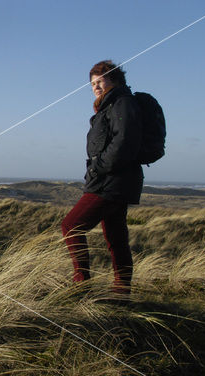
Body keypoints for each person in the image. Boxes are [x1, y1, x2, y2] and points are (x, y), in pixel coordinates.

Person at [61, 60, 143, 295]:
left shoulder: (122, 103)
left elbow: (124, 143)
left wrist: (98, 169)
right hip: (116, 180)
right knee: (115, 236)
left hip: (111, 181)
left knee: (71, 226)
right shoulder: (110, 106)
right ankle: (121, 290)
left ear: (114, 79)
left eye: (100, 81)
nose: (96, 86)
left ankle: (82, 284)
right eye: (93, 84)